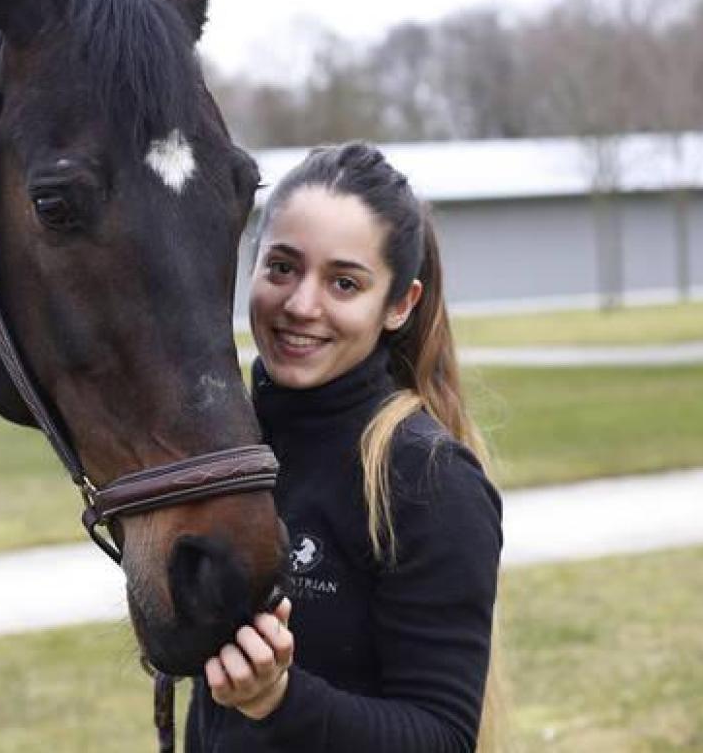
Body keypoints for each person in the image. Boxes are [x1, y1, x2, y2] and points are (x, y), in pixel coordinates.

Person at [187, 142, 505, 752]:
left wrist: (277, 699)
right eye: (281, 267)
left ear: (398, 305)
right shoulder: (236, 444)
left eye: (343, 282)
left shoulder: (427, 478)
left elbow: (441, 738)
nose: (301, 305)